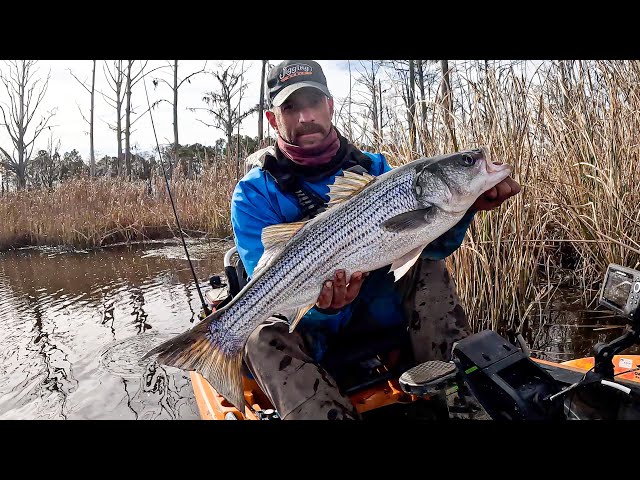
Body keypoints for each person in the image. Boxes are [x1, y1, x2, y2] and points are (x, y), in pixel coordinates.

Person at [230, 60, 521, 420]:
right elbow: (270, 290)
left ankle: (455, 396)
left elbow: (430, 246)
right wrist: (323, 308)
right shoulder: (253, 194)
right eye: (291, 107)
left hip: (377, 311)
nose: (306, 116)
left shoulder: (375, 168)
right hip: (307, 328)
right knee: (260, 338)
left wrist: (468, 207)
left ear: (330, 106)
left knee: (428, 270)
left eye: (314, 102)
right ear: (274, 119)